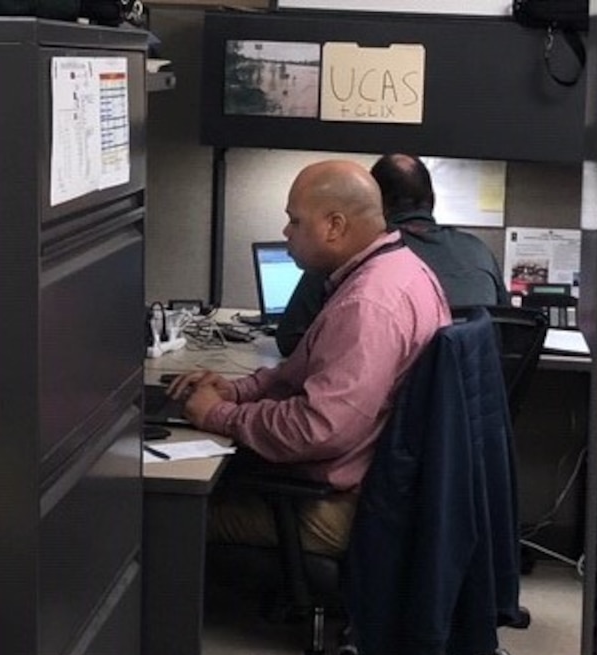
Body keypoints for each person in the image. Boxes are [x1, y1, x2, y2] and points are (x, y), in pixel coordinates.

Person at [167, 159, 450, 556]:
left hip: (338, 507)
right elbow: (298, 373)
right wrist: (234, 391)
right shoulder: (399, 269)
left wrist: (218, 416)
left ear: (334, 225)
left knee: (168, 510)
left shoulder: (367, 304)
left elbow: (317, 429)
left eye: (294, 221)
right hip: (374, 486)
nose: (286, 232)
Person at [272, 153, 511, 356]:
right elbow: (510, 331)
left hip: (386, 403)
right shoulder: (478, 250)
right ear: (432, 201)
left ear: (376, 205)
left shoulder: (358, 252)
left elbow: (290, 339)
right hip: (468, 399)